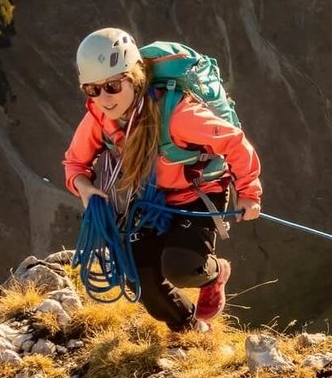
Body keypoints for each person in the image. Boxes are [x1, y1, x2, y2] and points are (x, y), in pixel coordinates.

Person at [62, 28, 263, 332]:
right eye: (92, 89)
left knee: (181, 267)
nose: (104, 98)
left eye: (113, 86)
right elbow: (75, 162)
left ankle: (214, 273)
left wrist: (248, 192)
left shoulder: (179, 114)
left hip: (198, 193)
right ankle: (189, 328)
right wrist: (85, 188)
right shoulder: (100, 118)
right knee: (140, 279)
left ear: (133, 77)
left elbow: (234, 143)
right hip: (149, 200)